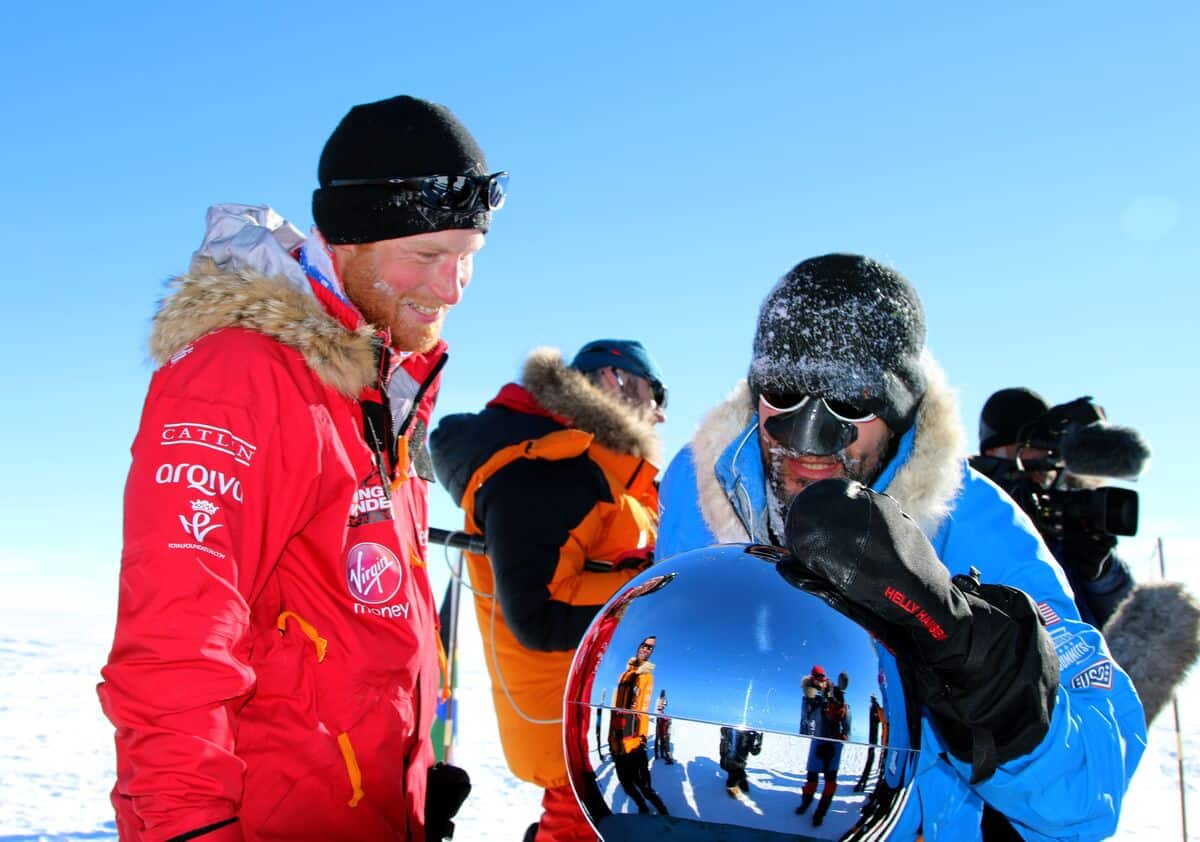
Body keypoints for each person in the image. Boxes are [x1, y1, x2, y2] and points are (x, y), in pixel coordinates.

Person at [97, 95, 504, 842]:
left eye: (468, 256)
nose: (452, 288)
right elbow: (175, 639)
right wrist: (185, 828)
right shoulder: (239, 377)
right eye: (425, 256)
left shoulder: (380, 392)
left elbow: (358, 623)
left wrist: (408, 783)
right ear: (345, 239)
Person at [657, 254, 1147, 840]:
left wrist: (976, 661)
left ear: (900, 409)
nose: (807, 437)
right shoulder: (699, 483)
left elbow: (1091, 794)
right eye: (784, 394)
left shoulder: (977, 524)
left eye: (851, 402)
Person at [430, 339, 666, 841]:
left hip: (604, 738)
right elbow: (540, 613)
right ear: (614, 379)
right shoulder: (550, 468)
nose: (661, 413)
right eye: (656, 392)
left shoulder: (602, 477)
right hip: (580, 748)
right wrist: (658, 593)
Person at [971, 387, 1137, 628]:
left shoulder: (1066, 518)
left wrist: (1100, 573)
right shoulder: (967, 514)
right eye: (1034, 448)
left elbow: (1125, 623)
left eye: (1052, 452)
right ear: (996, 451)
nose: (1046, 463)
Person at [608, 636, 670, 815]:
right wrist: (612, 740)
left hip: (634, 745)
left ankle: (663, 812)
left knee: (644, 786)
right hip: (617, 744)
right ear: (638, 646)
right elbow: (615, 708)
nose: (646, 649)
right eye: (644, 645)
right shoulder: (624, 674)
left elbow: (642, 709)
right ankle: (643, 808)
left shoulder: (646, 677)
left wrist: (640, 739)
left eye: (650, 648)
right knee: (626, 785)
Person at [795, 674, 850, 827]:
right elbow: (807, 715)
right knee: (813, 778)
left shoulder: (840, 703)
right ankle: (807, 804)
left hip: (832, 744)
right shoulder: (817, 702)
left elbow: (846, 726)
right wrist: (808, 692)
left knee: (828, 781)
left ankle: (819, 813)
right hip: (821, 741)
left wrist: (844, 735)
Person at [853, 694, 886, 793]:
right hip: (879, 741)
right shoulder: (876, 709)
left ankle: (865, 782)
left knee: (873, 753)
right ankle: (864, 782)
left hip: (881, 742)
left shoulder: (877, 710)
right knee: (872, 753)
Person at [718, 726, 764, 795]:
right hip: (729, 762)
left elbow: (755, 751)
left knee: (741, 781)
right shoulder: (727, 730)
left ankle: (737, 784)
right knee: (736, 776)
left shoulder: (751, 734)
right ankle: (734, 786)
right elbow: (723, 744)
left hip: (738, 763)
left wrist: (758, 743)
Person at [653, 690, 674, 764]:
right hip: (659, 720)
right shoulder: (659, 700)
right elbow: (659, 708)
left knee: (661, 739)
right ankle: (657, 755)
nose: (664, 706)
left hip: (661, 721)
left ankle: (661, 755)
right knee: (658, 738)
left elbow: (663, 706)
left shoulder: (661, 701)